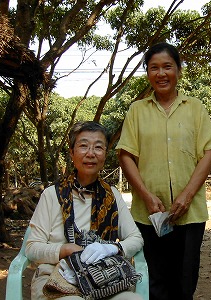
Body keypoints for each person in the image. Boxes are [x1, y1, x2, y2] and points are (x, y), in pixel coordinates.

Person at [116, 42, 211, 300]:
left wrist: (186, 196)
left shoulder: (195, 108)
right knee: (154, 280)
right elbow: (125, 155)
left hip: (190, 213)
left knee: (185, 282)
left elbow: (208, 152)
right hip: (148, 215)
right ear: (148, 73)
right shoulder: (136, 110)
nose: (161, 74)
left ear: (179, 70)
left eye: (167, 67)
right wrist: (145, 195)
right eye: (154, 68)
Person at [25, 121, 144, 300]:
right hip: (57, 274)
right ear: (72, 153)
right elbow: (32, 248)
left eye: (98, 147)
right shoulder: (52, 195)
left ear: (105, 154)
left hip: (104, 276)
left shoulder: (112, 195)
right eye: (83, 146)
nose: (91, 153)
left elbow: (136, 239)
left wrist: (111, 249)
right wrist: (65, 250)